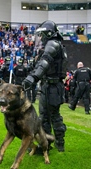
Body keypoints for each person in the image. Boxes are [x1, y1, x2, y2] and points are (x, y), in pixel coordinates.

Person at [22, 20, 67, 152]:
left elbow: (45, 62)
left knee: (53, 116)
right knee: (44, 117)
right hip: (48, 85)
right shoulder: (56, 45)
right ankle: (45, 145)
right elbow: (42, 63)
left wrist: (33, 78)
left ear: (48, 32)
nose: (41, 37)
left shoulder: (53, 44)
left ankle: (60, 144)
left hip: (53, 86)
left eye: (43, 34)